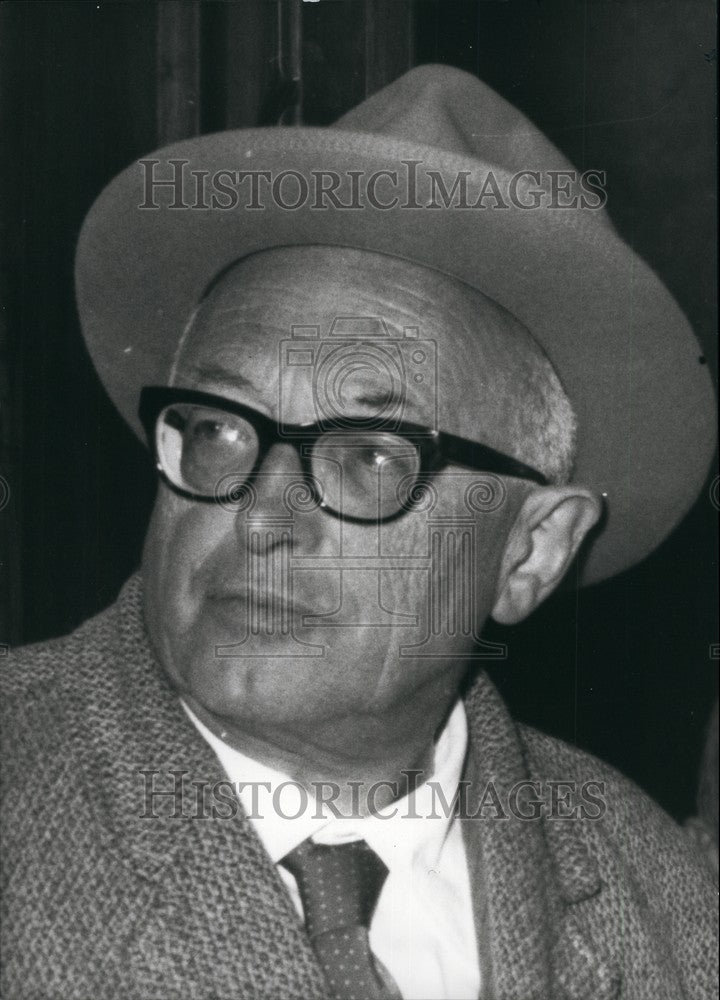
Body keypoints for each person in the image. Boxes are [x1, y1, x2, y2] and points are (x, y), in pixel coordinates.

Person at [1, 66, 716, 1000]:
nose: (261, 516)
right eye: (220, 430)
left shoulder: (662, 900)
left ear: (529, 551)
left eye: (372, 457)